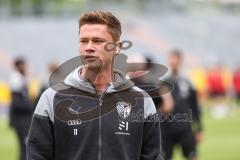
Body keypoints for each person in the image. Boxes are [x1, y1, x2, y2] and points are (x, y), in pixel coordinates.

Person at [27, 11, 161, 160]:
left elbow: (152, 156)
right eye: (84, 41)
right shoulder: (52, 98)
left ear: (117, 47)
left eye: (97, 41)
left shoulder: (142, 100)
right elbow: (37, 156)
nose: (89, 47)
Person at [160, 49, 203, 160]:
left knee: (193, 155)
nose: (172, 61)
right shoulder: (163, 82)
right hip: (166, 128)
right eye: (170, 58)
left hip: (184, 127)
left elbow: (195, 106)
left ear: (180, 60)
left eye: (174, 58)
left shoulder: (188, 81)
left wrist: (199, 128)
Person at [9, 57, 34, 160]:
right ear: (19, 66)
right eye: (24, 65)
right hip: (20, 120)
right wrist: (31, 105)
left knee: (25, 147)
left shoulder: (21, 79)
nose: (26, 67)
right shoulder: (16, 79)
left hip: (23, 119)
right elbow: (17, 103)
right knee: (24, 147)